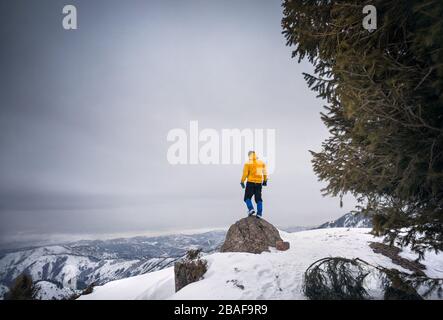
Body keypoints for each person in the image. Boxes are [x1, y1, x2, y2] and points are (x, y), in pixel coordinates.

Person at [240, 151, 268, 218]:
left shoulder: (247, 164)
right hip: (259, 183)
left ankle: (251, 209)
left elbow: (245, 174)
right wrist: (265, 180)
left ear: (249, 155)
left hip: (250, 183)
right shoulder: (261, 163)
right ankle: (259, 213)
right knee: (258, 199)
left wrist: (242, 181)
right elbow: (264, 173)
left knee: (247, 197)